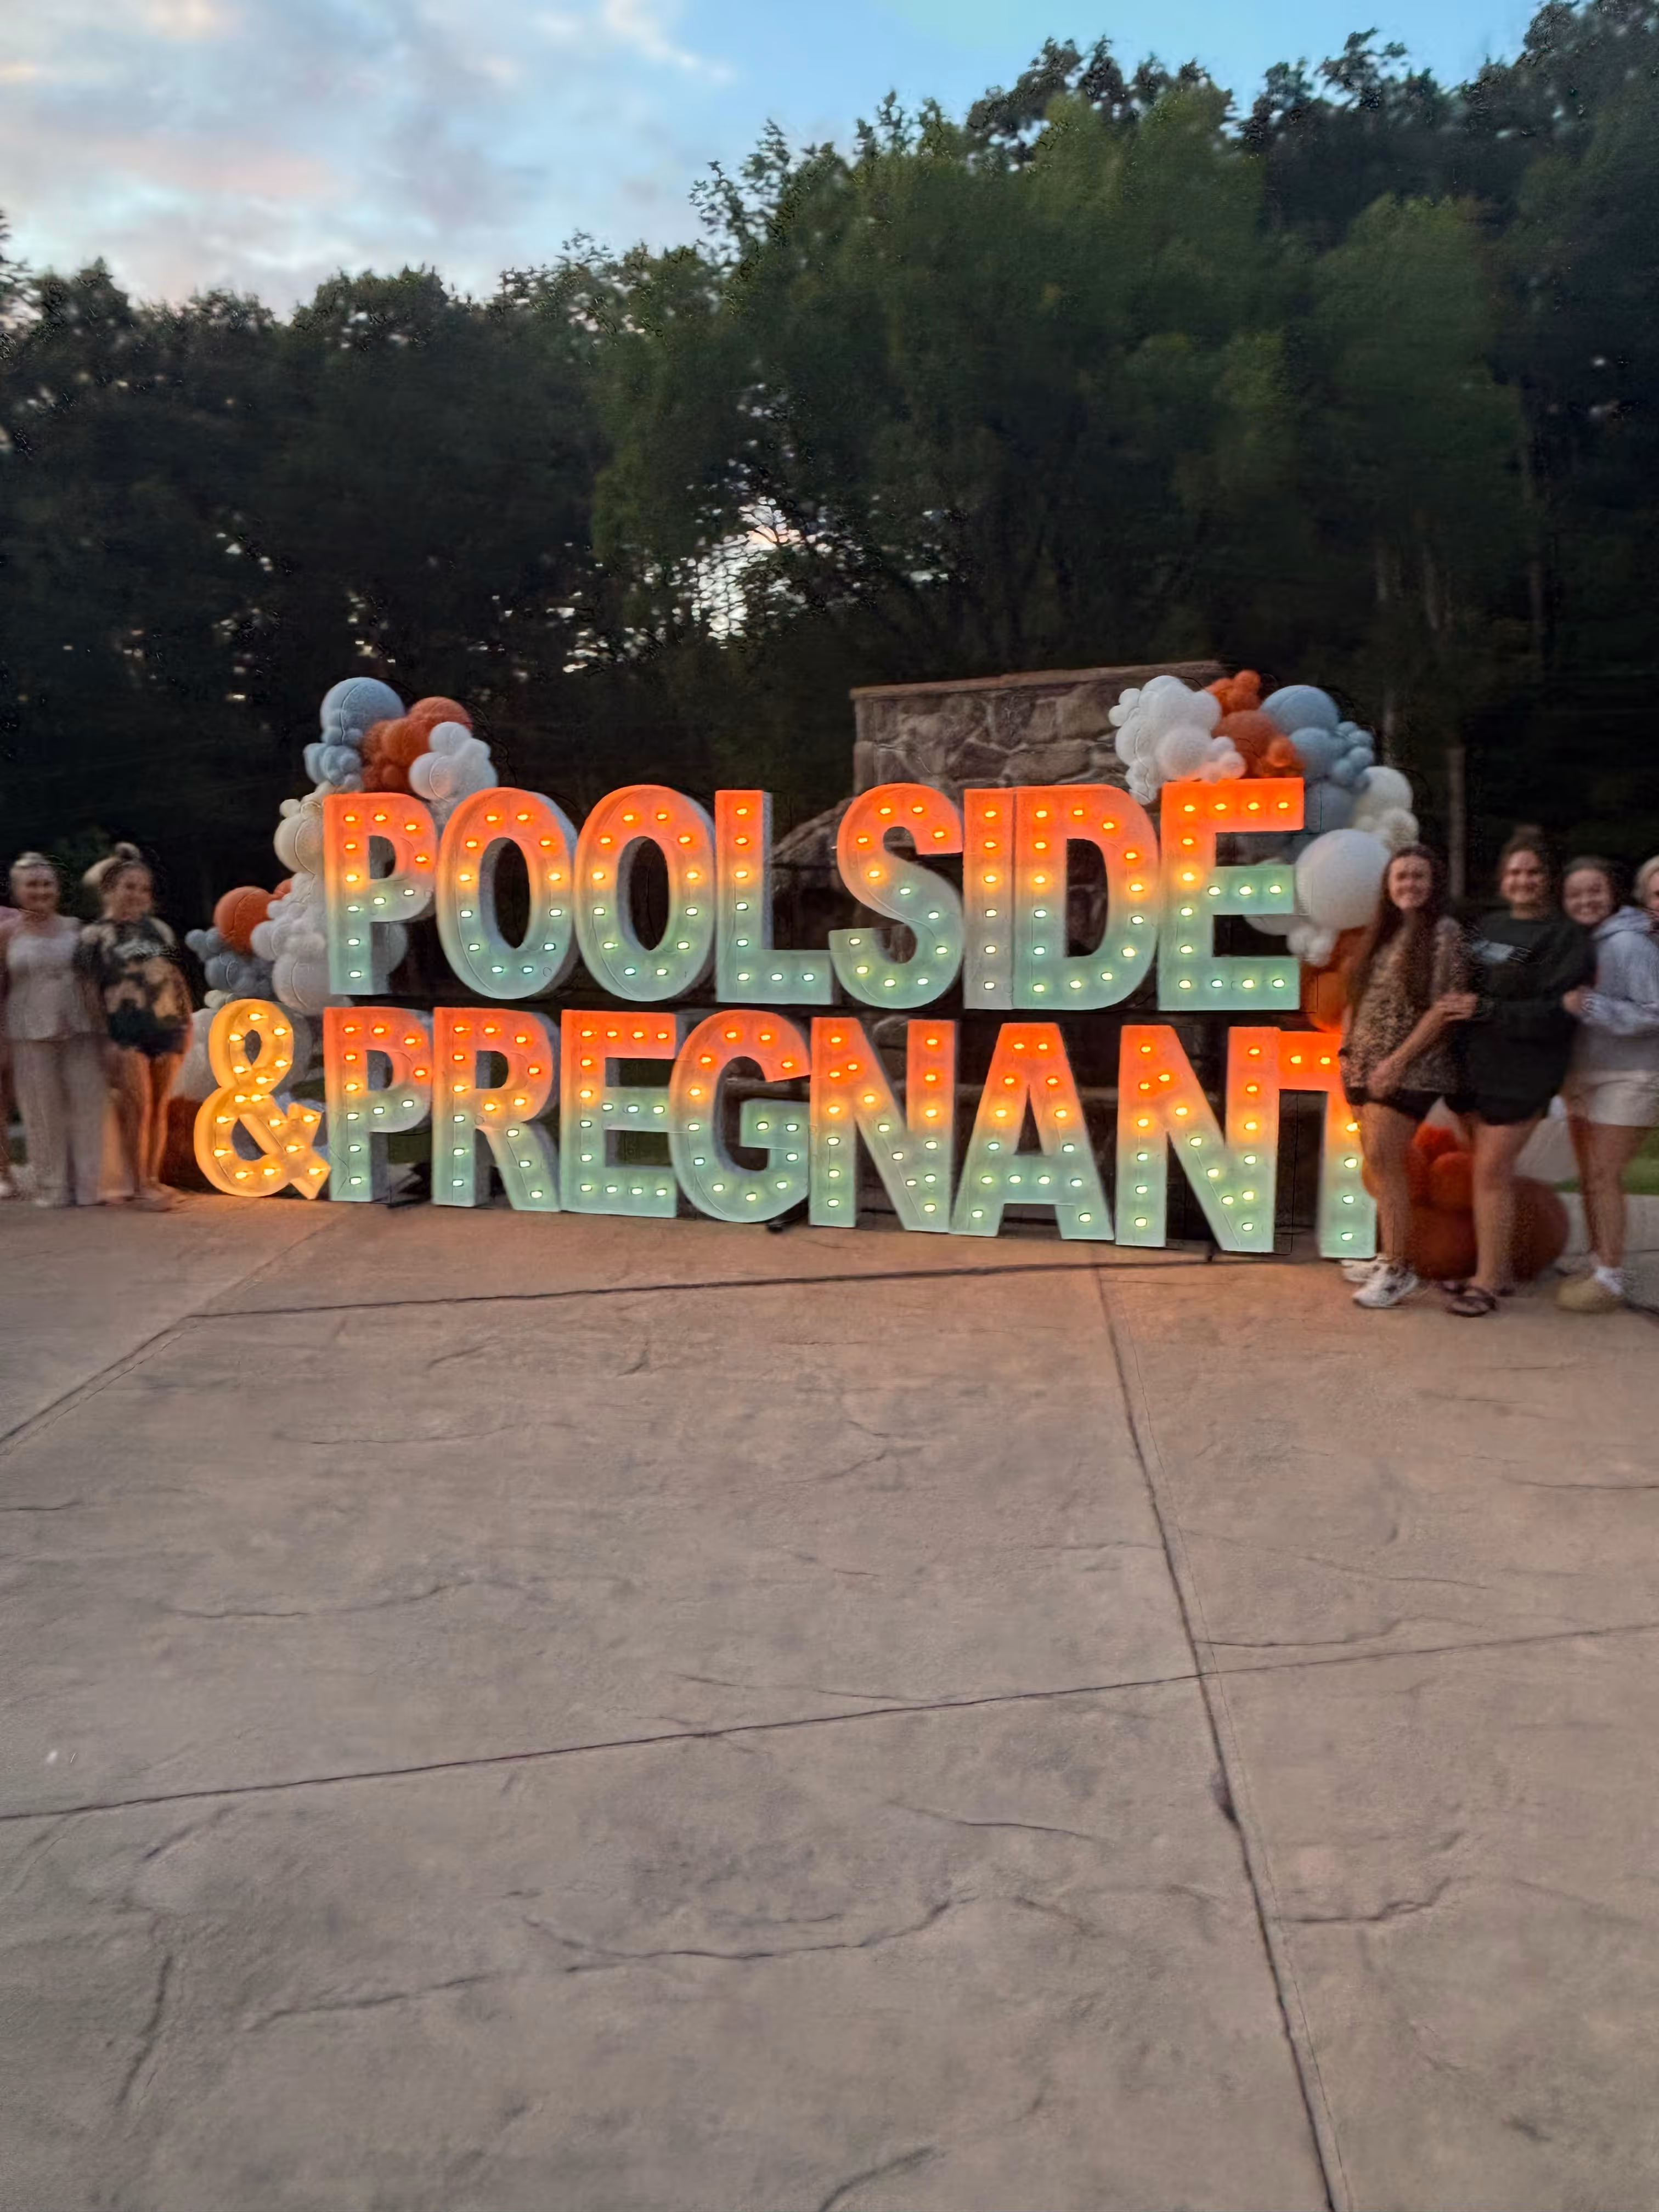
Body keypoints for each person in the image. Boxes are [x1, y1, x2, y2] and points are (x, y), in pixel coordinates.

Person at [1441, 827, 1595, 1316]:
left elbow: (1557, 1011)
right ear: (1503, 879)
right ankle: (1498, 1270)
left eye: (1532, 872)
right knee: (1487, 1176)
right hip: (1473, 1069)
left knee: (1491, 1171)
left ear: (1546, 879)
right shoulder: (1485, 927)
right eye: (1514, 872)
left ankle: (1485, 1284)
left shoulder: (1564, 937)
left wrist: (1486, 1007)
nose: (1523, 880)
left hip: (1524, 1071)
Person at [1338, 845, 1470, 1308]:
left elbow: (1445, 1006)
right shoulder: (1385, 931)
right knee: (1377, 1164)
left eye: (1419, 876)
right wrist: (1347, 1050)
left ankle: (1399, 1270)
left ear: (1434, 883)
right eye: (1401, 878)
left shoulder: (1444, 933)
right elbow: (1360, 995)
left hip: (1414, 1067)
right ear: (1388, 886)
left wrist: (1396, 1063)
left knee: (1384, 1157)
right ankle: (1388, 1252)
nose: (1409, 885)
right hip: (1363, 1063)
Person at [1555, 856, 1659, 1311]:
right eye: (1576, 893)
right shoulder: (1577, 943)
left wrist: (1594, 1007)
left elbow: (1653, 1012)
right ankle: (1600, 1264)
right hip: (1584, 1077)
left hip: (1631, 1075)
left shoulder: (1631, 944)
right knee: (1592, 1179)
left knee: (1603, 1175)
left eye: (1595, 890)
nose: (1586, 900)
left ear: (1613, 893)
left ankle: (1610, 1278)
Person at [76, 854, 193, 1212]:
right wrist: (103, 1039)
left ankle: (153, 1180)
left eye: (143, 889)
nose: (137, 894)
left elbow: (174, 977)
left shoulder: (158, 930)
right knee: (136, 1108)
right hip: (125, 1032)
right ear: (109, 889)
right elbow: (88, 992)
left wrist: (187, 1020)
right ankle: (138, 1185)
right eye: (129, 886)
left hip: (166, 1027)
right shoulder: (94, 936)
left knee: (160, 1108)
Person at [0, 854, 112, 1207]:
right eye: (31, 884)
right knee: (40, 1110)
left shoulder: (77, 929)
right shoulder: (7, 934)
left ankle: (90, 1186)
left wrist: (104, 1030)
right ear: (17, 890)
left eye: (47, 884)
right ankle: (53, 1186)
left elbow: (93, 982)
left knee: (87, 1103)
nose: (40, 891)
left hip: (79, 1026)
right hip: (27, 1030)